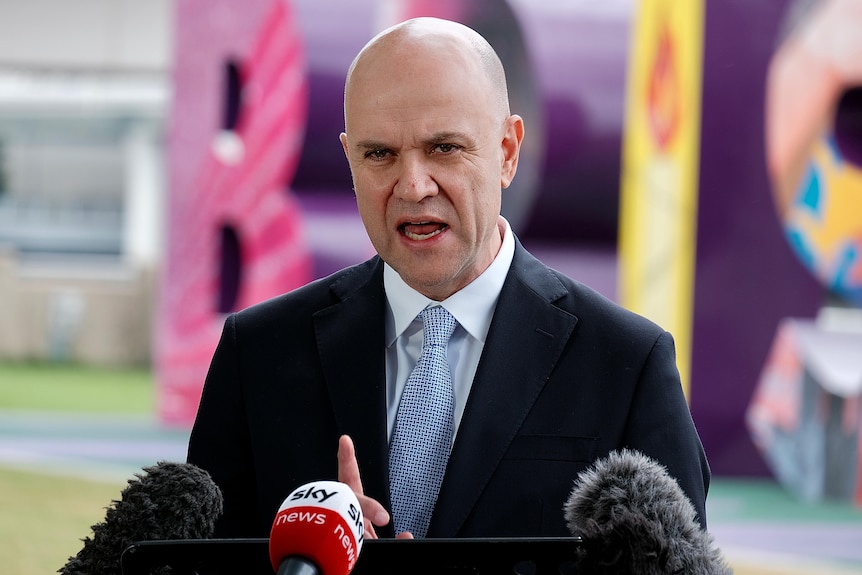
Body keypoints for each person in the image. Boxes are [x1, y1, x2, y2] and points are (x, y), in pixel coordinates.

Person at [187, 16, 711, 540]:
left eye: (444, 148)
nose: (413, 186)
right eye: (380, 154)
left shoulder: (626, 364)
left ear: (507, 152)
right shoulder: (257, 355)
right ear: (349, 160)